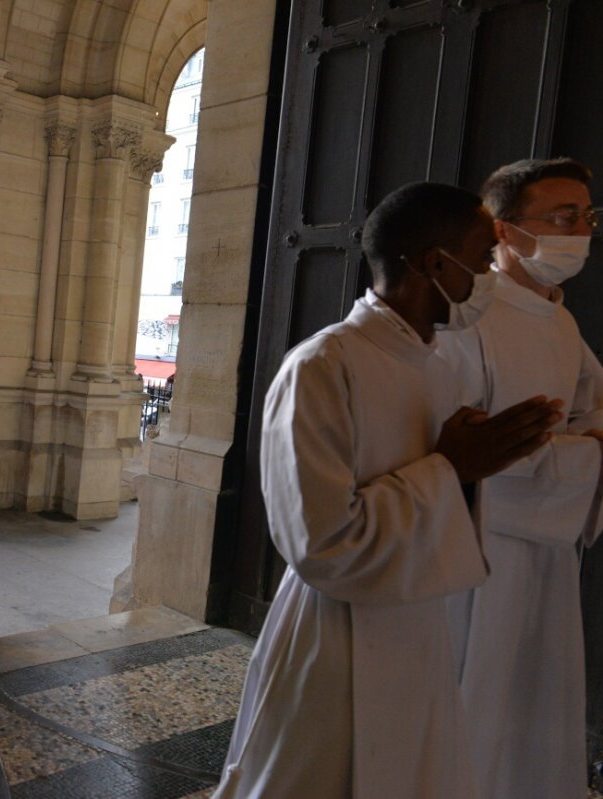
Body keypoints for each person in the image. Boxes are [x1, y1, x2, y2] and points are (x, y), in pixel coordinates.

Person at [214, 182, 562, 798]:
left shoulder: (438, 363)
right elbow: (319, 543)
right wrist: (451, 470)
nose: (489, 276)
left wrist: (477, 467)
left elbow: (446, 490)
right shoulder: (322, 367)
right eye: (482, 260)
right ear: (434, 263)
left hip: (419, 624)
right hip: (336, 636)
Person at [436, 158, 603, 798]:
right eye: (563, 217)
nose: (580, 230)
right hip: (486, 545)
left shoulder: (559, 318)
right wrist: (586, 453)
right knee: (478, 697)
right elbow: (471, 445)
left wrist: (583, 444)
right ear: (506, 233)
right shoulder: (470, 316)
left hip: (548, 547)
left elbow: (591, 409)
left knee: (536, 698)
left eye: (586, 217)